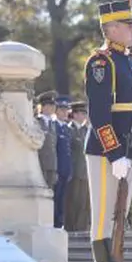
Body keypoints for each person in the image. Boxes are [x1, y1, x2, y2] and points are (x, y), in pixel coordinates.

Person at [83, 0, 132, 262]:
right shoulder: (101, 62)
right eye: (128, 24)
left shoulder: (130, 61)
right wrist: (115, 153)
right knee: (104, 215)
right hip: (107, 149)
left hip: (131, 148)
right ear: (111, 28)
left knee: (120, 213)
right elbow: (98, 113)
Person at [64, 100, 91, 232]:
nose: (82, 116)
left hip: (86, 171)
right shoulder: (70, 130)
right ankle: (71, 227)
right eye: (79, 113)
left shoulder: (87, 130)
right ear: (73, 115)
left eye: (84, 113)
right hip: (74, 171)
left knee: (84, 202)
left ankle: (82, 227)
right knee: (72, 201)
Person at [53, 95, 73, 229]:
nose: (65, 112)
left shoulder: (66, 128)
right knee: (55, 197)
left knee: (62, 199)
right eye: (62, 110)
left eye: (66, 110)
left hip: (65, 169)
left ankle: (60, 222)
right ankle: (55, 222)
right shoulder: (54, 126)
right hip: (57, 169)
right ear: (56, 111)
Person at [35, 90, 58, 189]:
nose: (53, 108)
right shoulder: (37, 122)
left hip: (51, 164)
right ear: (43, 107)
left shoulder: (52, 123)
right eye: (50, 105)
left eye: (53, 105)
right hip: (41, 162)